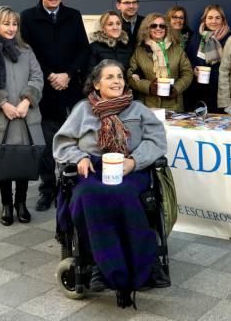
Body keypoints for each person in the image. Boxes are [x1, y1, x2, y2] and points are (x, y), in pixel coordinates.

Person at [53, 59, 169, 307]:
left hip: (129, 169)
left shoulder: (138, 109)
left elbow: (156, 140)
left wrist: (134, 162)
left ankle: (143, 265)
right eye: (109, 77)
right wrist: (79, 157)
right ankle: (96, 262)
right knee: (87, 196)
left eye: (119, 76)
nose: (116, 81)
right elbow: (63, 143)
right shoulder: (82, 110)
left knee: (126, 196)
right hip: (92, 169)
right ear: (96, 84)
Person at [20, 0, 90, 211]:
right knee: (47, 145)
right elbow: (28, 53)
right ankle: (47, 190)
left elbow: (83, 49)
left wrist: (68, 74)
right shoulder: (28, 17)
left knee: (75, 141)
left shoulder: (74, 15)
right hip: (45, 91)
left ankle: (72, 187)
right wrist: (50, 75)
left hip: (71, 89)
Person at [0, 6, 44, 226]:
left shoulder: (26, 50)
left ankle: (20, 203)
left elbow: (37, 77)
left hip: (24, 115)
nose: (11, 28)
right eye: (6, 23)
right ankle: (6, 205)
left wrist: (25, 101)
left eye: (14, 24)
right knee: (3, 162)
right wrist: (3, 104)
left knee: (23, 159)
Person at [127, 13, 193, 112]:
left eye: (162, 26)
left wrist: (176, 88)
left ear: (167, 28)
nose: (158, 28)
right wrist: (149, 86)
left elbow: (188, 73)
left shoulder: (177, 49)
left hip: (174, 105)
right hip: (148, 106)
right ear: (147, 28)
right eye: (154, 25)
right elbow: (131, 76)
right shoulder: (139, 51)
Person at [184, 4, 231, 113]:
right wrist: (193, 68)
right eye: (210, 18)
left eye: (217, 18)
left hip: (221, 90)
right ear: (204, 20)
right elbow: (187, 59)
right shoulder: (196, 37)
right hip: (199, 89)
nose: (213, 21)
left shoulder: (230, 38)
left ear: (223, 20)